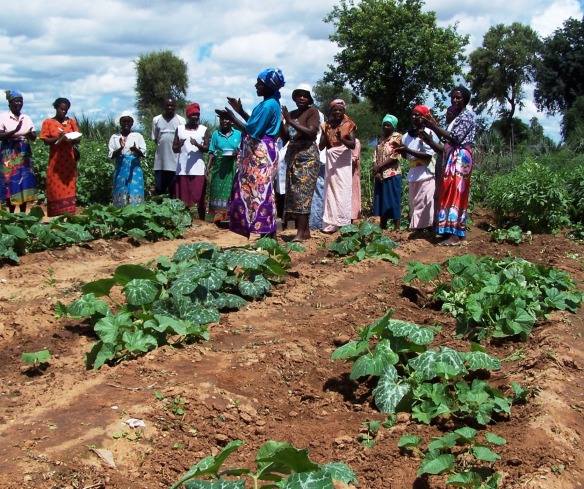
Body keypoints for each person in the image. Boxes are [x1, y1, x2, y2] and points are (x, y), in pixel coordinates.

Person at [224, 68, 285, 239]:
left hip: (261, 153)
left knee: (260, 191)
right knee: (260, 192)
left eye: (260, 83)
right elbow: (254, 123)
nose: (256, 86)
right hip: (262, 151)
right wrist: (239, 110)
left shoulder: (268, 105)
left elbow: (252, 130)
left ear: (268, 86)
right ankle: (267, 234)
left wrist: (232, 117)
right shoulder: (270, 103)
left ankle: (268, 234)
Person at [422, 86, 476, 246]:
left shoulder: (466, 117)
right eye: (453, 97)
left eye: (458, 98)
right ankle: (451, 232)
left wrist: (433, 127)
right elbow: (447, 139)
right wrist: (433, 128)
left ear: (465, 100)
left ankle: (455, 236)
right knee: (450, 191)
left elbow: (455, 138)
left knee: (456, 193)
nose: (455, 100)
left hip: (460, 157)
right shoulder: (457, 118)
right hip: (454, 156)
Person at [280, 84, 321, 241]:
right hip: (293, 155)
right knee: (294, 193)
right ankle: (305, 232)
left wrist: (290, 122)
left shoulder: (312, 112)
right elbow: (285, 138)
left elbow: (312, 132)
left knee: (302, 192)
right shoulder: (290, 114)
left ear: (309, 98)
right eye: (299, 95)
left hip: (307, 156)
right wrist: (282, 122)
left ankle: (299, 233)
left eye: (305, 95)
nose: (301, 98)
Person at [319, 99, 356, 233]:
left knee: (343, 191)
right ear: (331, 112)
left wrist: (341, 139)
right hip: (331, 159)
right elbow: (322, 145)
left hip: (343, 160)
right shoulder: (326, 125)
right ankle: (331, 224)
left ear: (343, 112)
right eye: (335, 110)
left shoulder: (349, 125)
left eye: (340, 110)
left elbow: (352, 145)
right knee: (331, 191)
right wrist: (324, 135)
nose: (337, 112)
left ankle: (343, 223)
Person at [398, 105, 435, 234]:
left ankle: (431, 229)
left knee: (427, 201)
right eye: (413, 115)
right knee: (415, 202)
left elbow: (428, 155)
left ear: (424, 117)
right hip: (414, 171)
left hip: (426, 172)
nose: (414, 117)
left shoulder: (429, 133)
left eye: (417, 115)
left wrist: (408, 150)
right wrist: (401, 151)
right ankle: (418, 229)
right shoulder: (406, 136)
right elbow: (406, 156)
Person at [40, 98, 81, 216]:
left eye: (66, 110)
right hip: (56, 161)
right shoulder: (48, 122)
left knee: (69, 184)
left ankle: (68, 213)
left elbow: (78, 138)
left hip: (69, 160)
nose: (63, 112)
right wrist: (58, 138)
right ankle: (56, 213)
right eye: (61, 109)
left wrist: (70, 138)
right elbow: (46, 140)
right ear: (56, 107)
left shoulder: (71, 122)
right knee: (54, 184)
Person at [0, 90, 37, 213]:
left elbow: (34, 137)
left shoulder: (26, 118)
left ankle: (22, 213)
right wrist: (15, 130)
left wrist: (30, 133)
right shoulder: (3, 117)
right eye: (16, 101)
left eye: (20, 101)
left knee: (25, 181)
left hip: (24, 153)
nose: (19, 104)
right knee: (10, 182)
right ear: (10, 103)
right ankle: (11, 212)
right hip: (9, 154)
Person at [172, 102, 209, 220]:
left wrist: (197, 144)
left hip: (198, 168)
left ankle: (202, 220)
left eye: (197, 115)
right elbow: (174, 149)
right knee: (183, 197)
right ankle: (184, 220)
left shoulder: (203, 130)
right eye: (193, 115)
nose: (196, 118)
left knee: (200, 196)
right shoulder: (180, 129)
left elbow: (207, 149)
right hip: (183, 169)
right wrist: (180, 145)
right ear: (188, 116)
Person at [207, 110, 242, 224]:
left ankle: (231, 217)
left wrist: (237, 153)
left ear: (231, 120)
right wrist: (207, 167)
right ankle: (218, 218)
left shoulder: (238, 134)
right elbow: (211, 152)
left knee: (233, 189)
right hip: (219, 166)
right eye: (222, 119)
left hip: (233, 166)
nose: (224, 121)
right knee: (217, 190)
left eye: (226, 118)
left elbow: (243, 149)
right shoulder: (216, 135)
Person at [108, 111, 146, 207]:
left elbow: (143, 153)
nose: (126, 124)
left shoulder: (138, 136)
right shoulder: (115, 137)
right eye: (124, 121)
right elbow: (111, 155)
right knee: (120, 189)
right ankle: (120, 212)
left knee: (134, 189)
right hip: (120, 169)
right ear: (120, 123)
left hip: (134, 169)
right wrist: (120, 148)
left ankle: (136, 213)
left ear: (132, 123)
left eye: (128, 121)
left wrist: (135, 149)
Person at [372, 115, 403, 231]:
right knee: (382, 200)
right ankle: (383, 226)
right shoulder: (380, 139)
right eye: (384, 124)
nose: (385, 127)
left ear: (393, 126)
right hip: (380, 175)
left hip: (392, 173)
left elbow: (395, 156)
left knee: (393, 199)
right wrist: (376, 171)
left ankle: (396, 227)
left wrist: (379, 166)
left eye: (388, 125)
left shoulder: (397, 137)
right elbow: (375, 156)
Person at [152, 97, 185, 196]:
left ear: (175, 106)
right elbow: (155, 139)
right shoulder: (156, 120)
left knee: (173, 191)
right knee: (159, 189)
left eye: (172, 105)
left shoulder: (181, 120)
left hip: (175, 163)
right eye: (167, 105)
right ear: (164, 106)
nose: (169, 107)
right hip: (160, 163)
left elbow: (182, 140)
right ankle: (158, 211)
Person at [309, 111, 327, 231]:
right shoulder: (313, 135)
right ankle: (314, 223)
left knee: (318, 194)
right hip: (313, 165)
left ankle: (317, 224)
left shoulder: (321, 136)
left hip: (320, 165)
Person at [351, 138, 362, 222]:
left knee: (352, 194)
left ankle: (351, 219)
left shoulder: (355, 141)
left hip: (352, 172)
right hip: (342, 172)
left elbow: (354, 159)